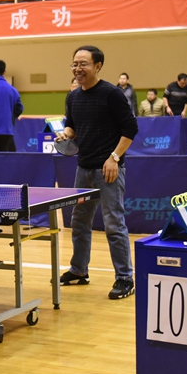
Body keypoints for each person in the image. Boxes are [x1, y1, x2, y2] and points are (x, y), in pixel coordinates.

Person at [55, 45, 138, 300]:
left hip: (108, 170)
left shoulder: (111, 94)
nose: (78, 69)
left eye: (83, 64)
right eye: (75, 64)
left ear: (98, 66)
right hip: (84, 169)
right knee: (79, 222)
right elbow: (72, 127)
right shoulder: (73, 97)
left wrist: (114, 158)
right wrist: (65, 134)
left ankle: (125, 278)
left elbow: (130, 129)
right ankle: (79, 270)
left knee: (113, 224)